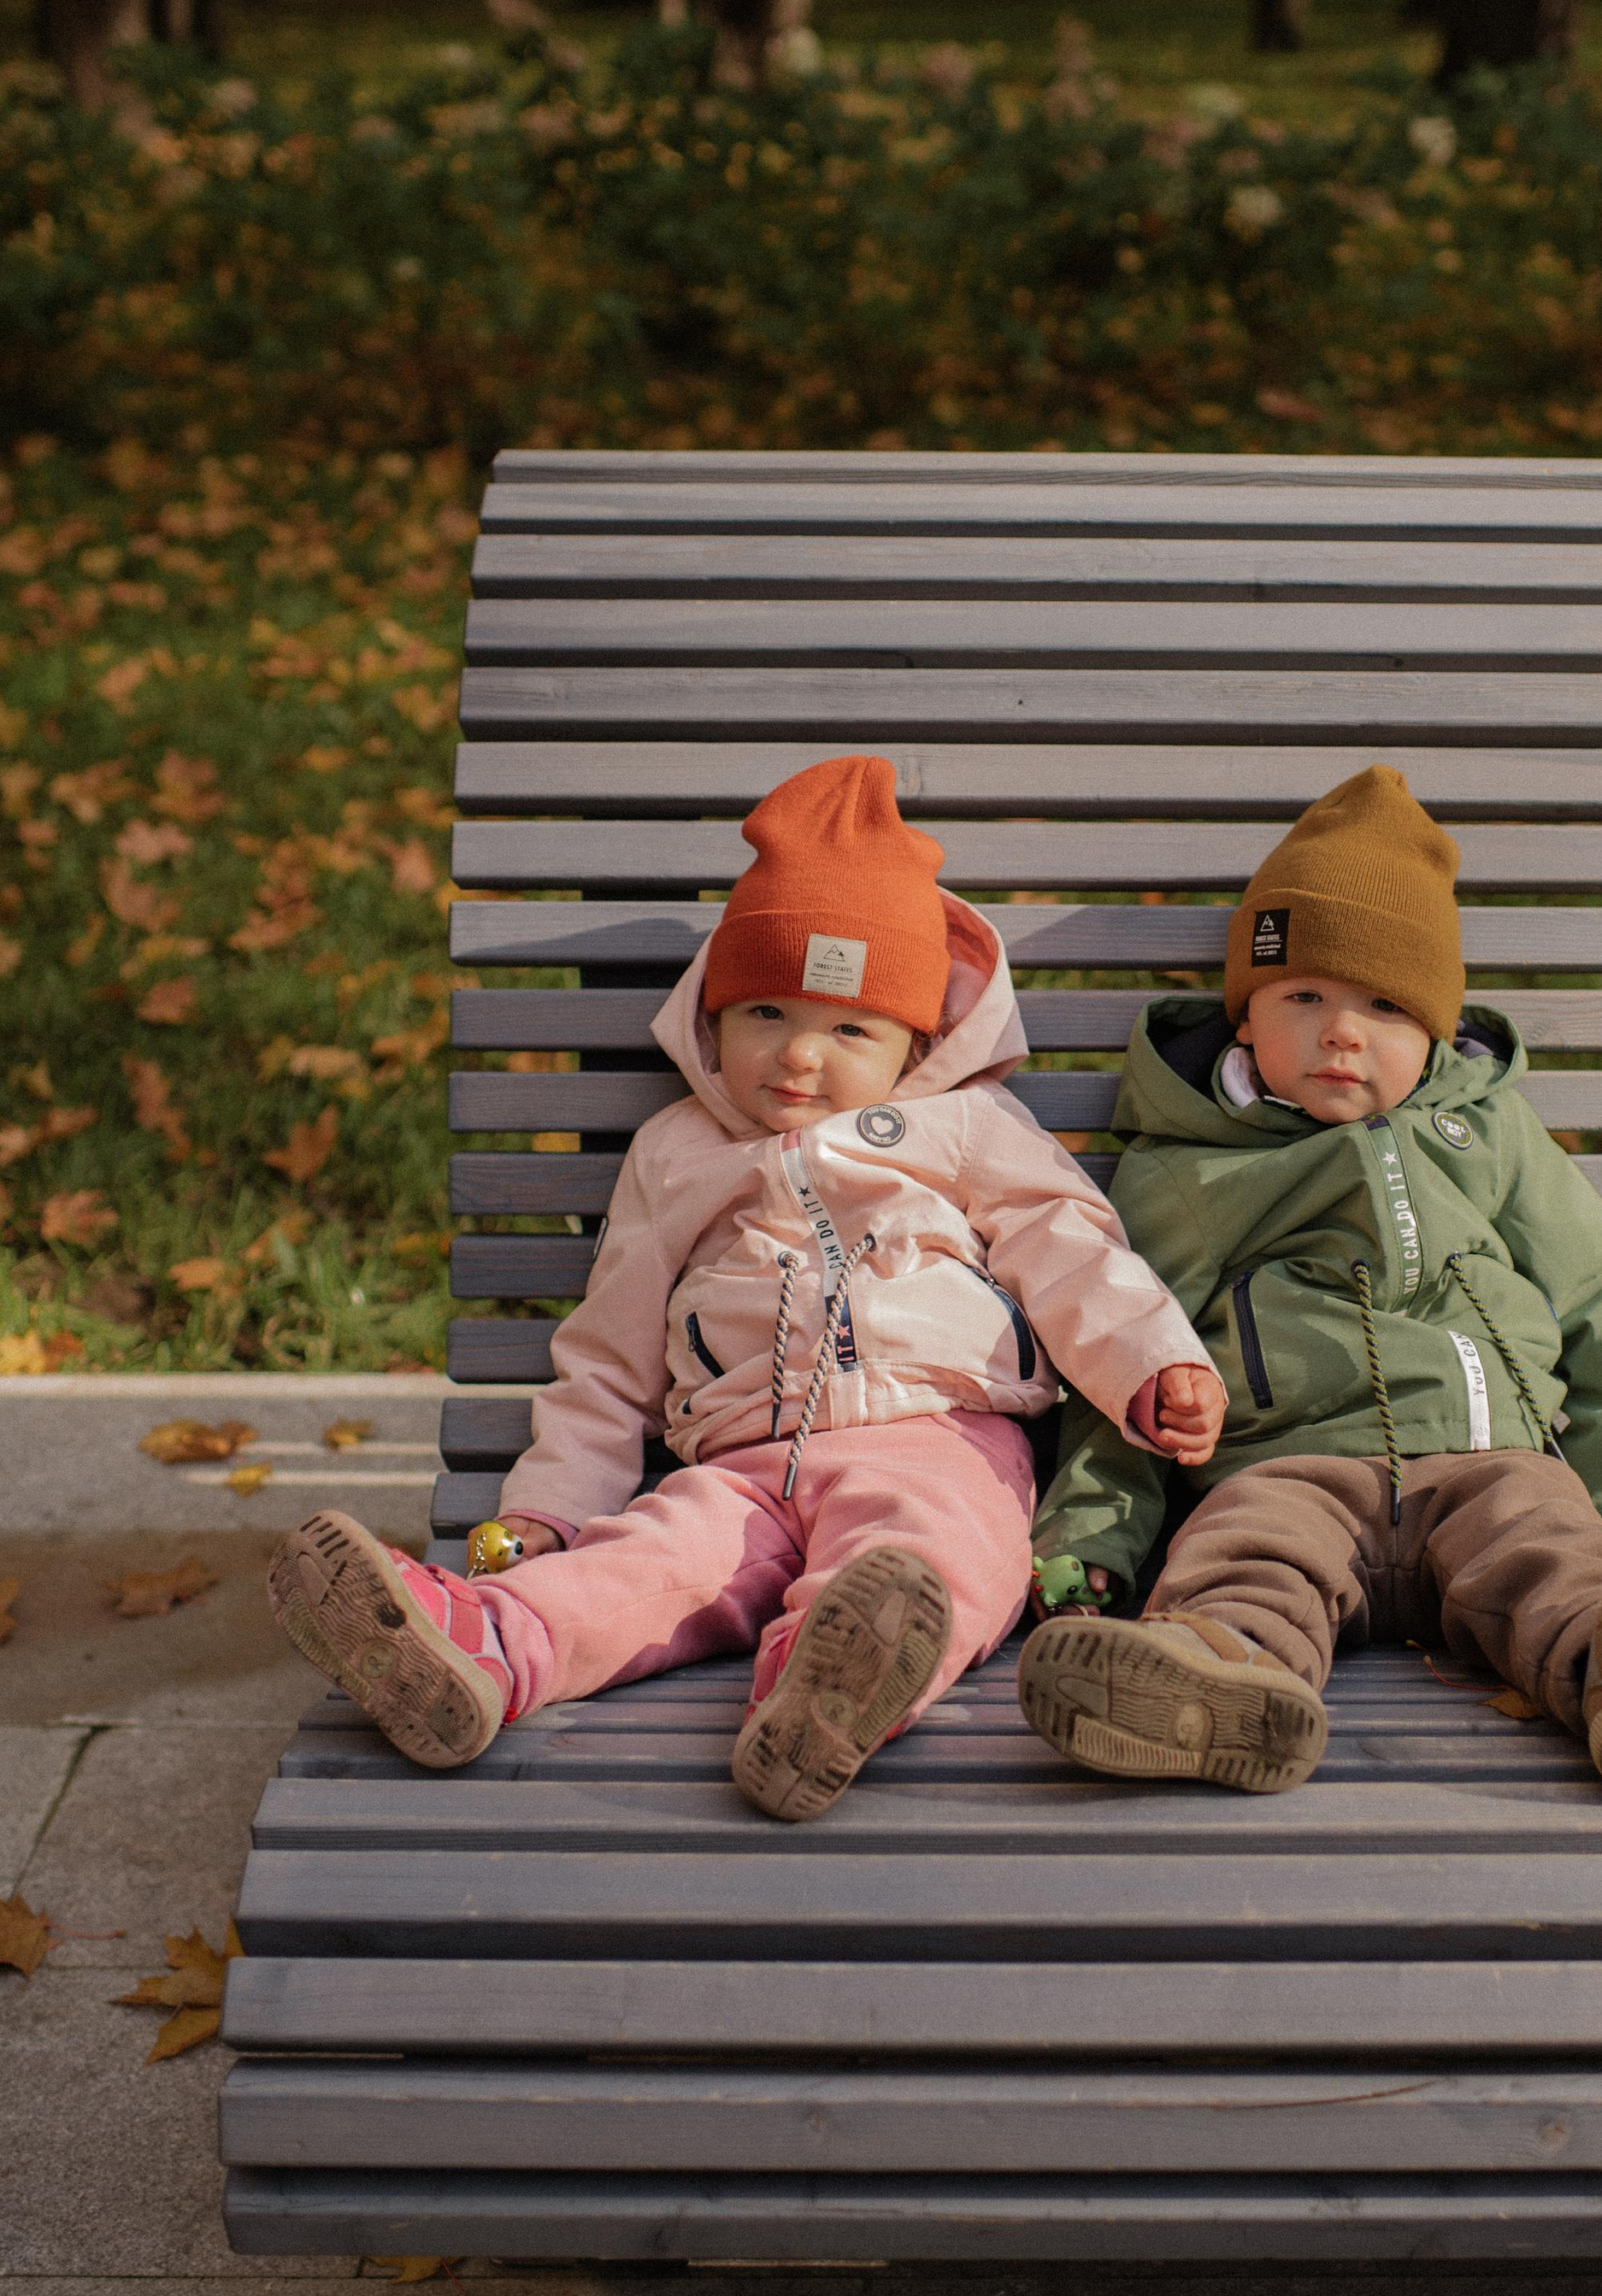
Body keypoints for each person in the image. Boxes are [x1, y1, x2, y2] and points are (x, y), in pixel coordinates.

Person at [268, 757, 1223, 1822]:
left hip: (939, 1435)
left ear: (918, 1041)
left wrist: (1151, 1361)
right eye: (764, 1011)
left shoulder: (965, 1127)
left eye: (850, 1028)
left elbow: (1069, 1246)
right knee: (650, 1564)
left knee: (933, 1557)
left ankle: (820, 1698)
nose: (798, 1057)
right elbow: (609, 1354)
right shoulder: (677, 1150)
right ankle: (479, 1648)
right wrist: (543, 1510)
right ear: (714, 1013)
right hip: (737, 1460)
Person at [1019, 764, 1602, 1803]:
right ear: (1247, 1016)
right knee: (1247, 1564)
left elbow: (1596, 1291)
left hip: (1489, 1461)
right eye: (1305, 997)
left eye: (1384, 1006)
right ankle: (1217, 1683)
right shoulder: (1191, 1166)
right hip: (1288, 1468)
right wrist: (1092, 1544)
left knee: (1550, 1555)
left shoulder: (1485, 1137)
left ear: (1433, 1030)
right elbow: (1124, 1358)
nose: (1342, 1031)